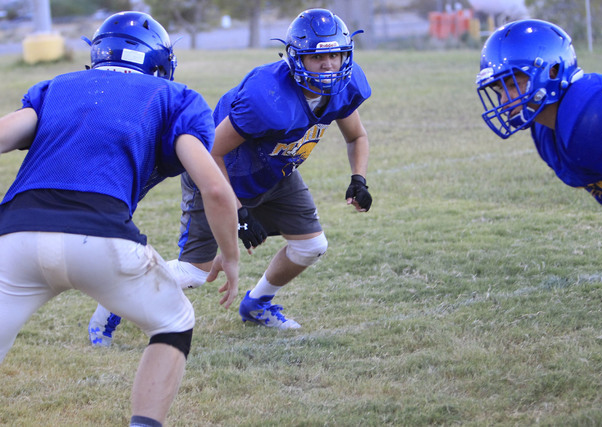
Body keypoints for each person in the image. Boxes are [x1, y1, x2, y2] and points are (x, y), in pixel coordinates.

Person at [0, 11, 240, 427]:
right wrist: (231, 257)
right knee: (173, 321)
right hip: (101, 236)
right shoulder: (174, 97)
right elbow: (215, 189)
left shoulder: (58, 86)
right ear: (160, 63)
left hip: (15, 236)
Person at [88, 7, 372, 339]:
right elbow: (212, 151)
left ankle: (257, 304)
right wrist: (237, 212)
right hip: (216, 172)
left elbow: (356, 136)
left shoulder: (343, 87)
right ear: (297, 58)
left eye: (336, 55)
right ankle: (115, 295)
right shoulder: (266, 96)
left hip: (274, 171)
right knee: (195, 271)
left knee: (311, 246)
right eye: (317, 58)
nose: (329, 65)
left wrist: (358, 178)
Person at [475, 18, 602, 380]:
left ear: (551, 70)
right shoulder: (544, 129)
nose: (505, 99)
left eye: (514, 83)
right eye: (500, 88)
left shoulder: (598, 110)